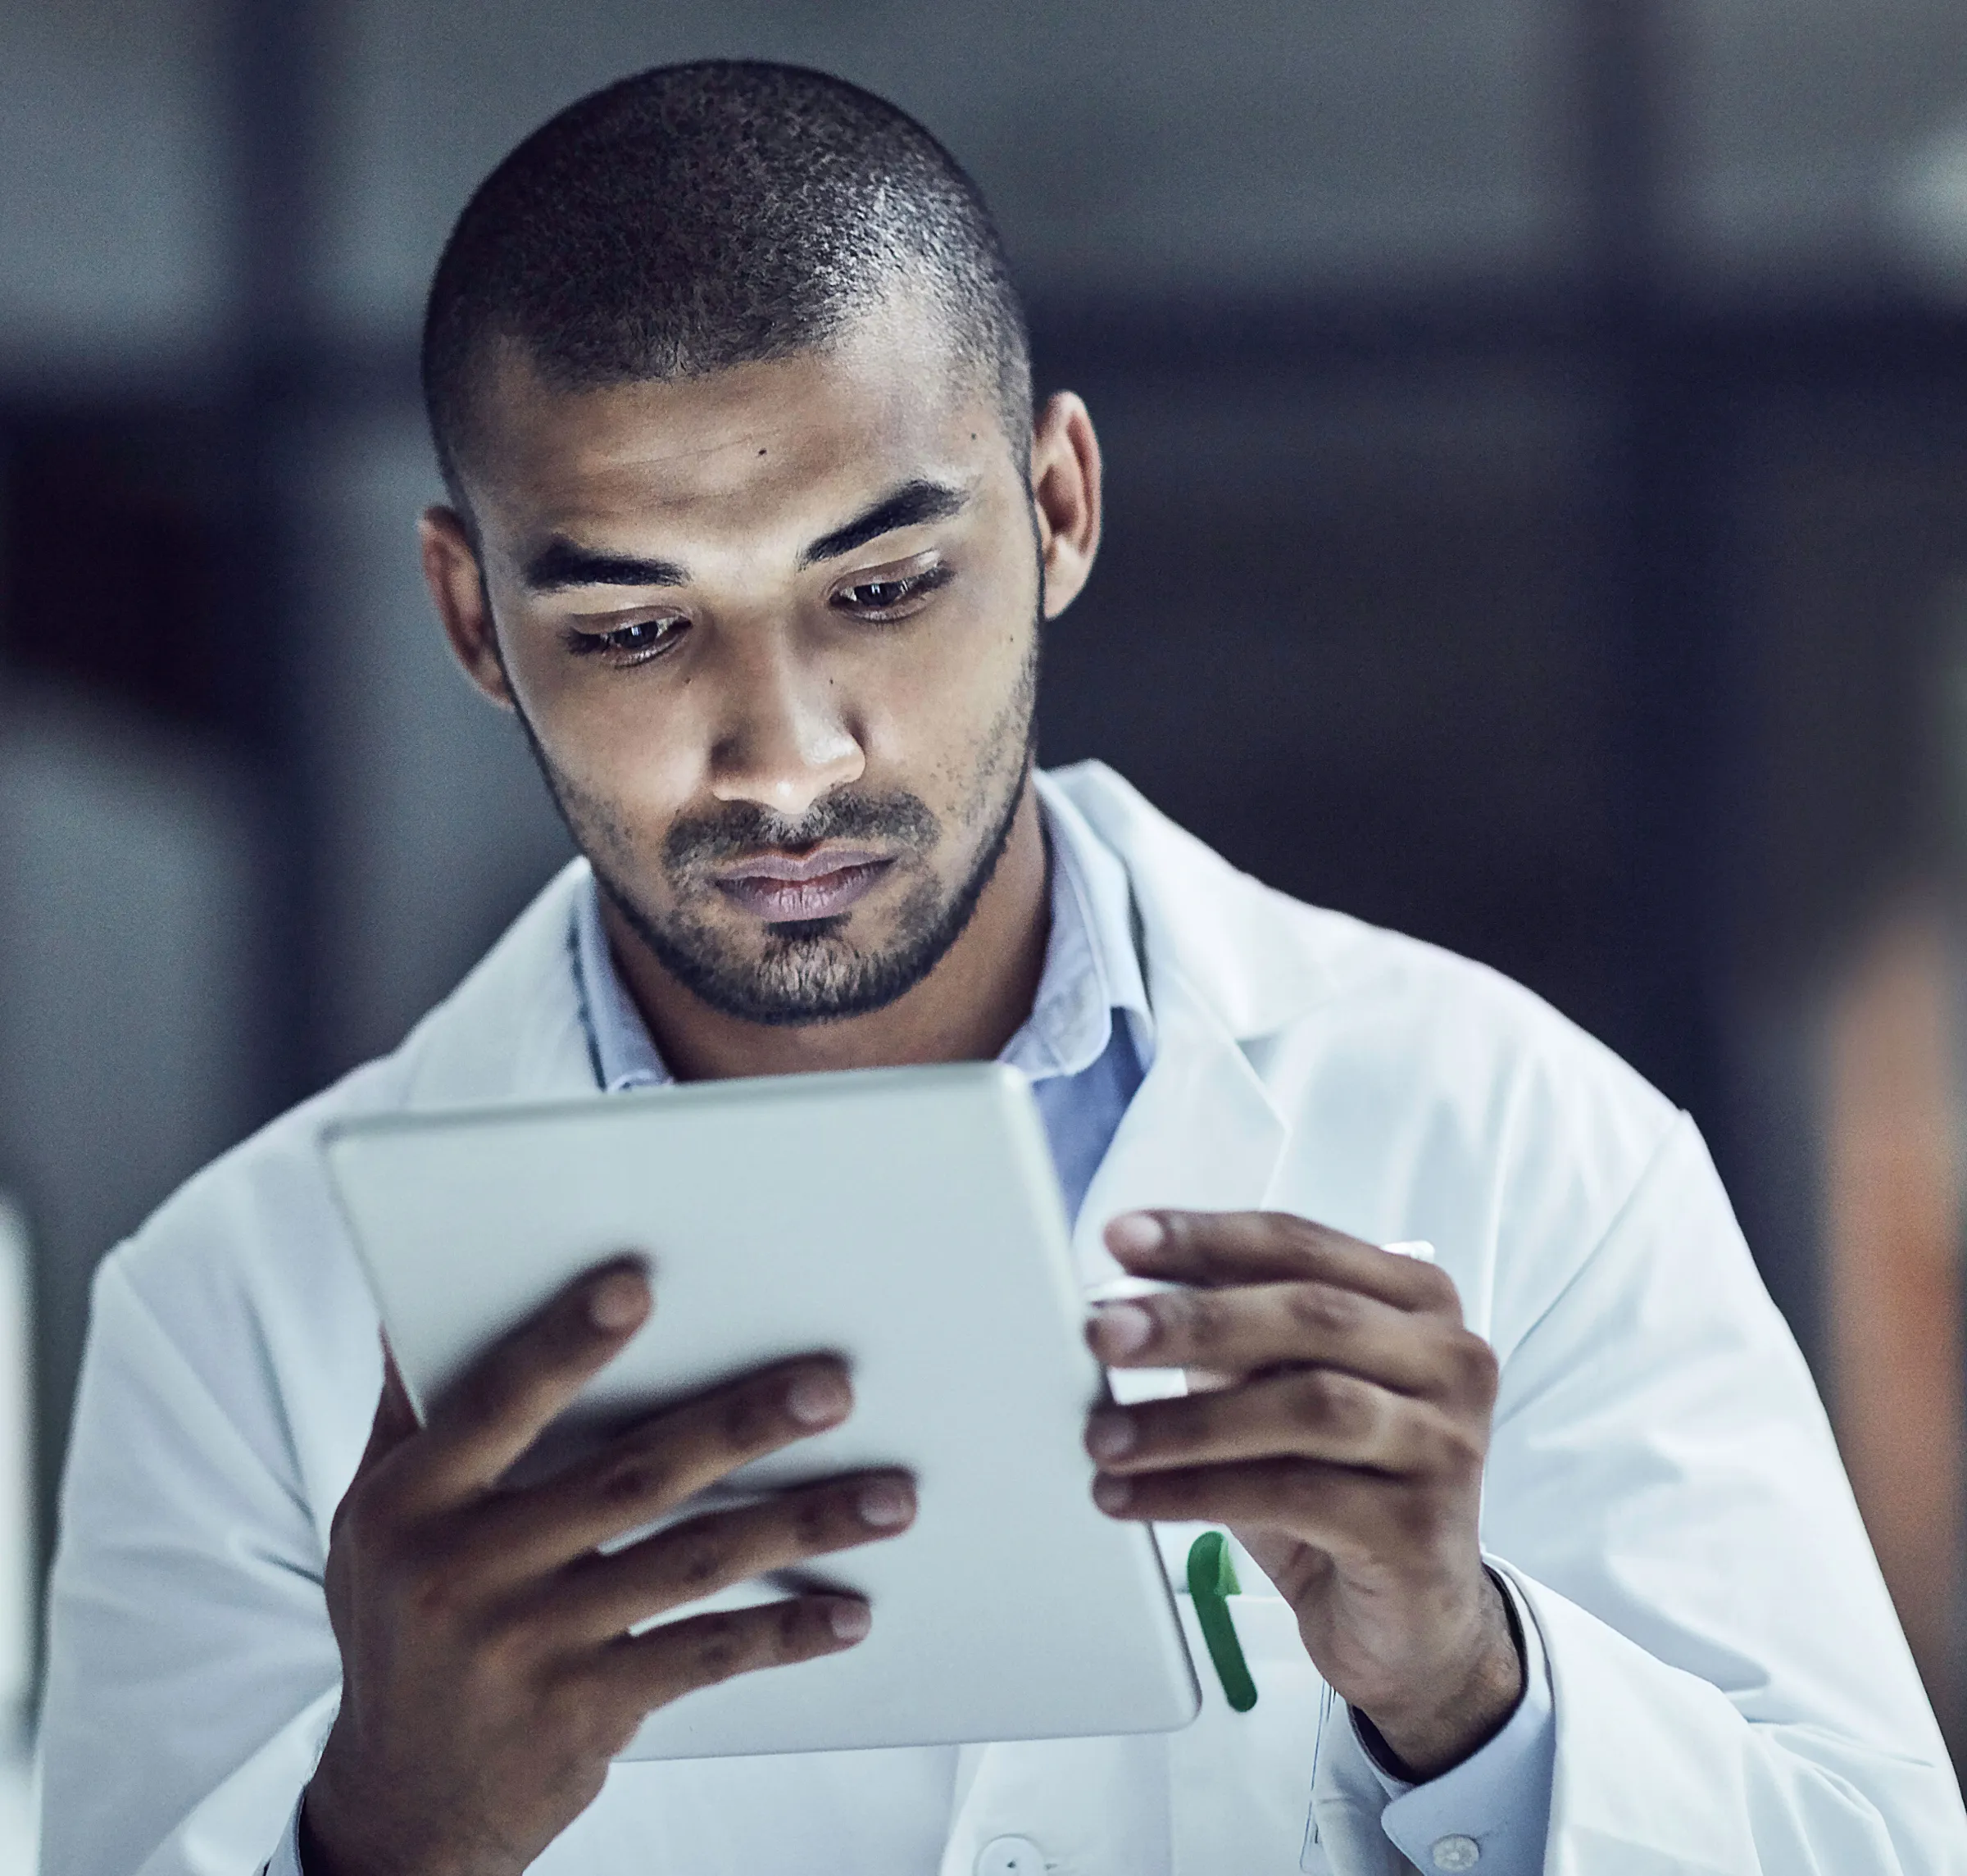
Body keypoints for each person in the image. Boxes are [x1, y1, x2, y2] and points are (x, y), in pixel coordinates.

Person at [36, 59, 1967, 1876]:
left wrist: (1476, 1688)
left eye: (877, 588)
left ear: (1055, 509)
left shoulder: (1520, 1139)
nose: (786, 751)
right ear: (474, 617)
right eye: (634, 628)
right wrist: (371, 1835)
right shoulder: (232, 1317)